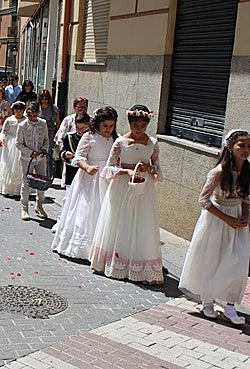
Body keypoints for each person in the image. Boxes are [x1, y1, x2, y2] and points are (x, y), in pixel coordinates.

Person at [179, 130, 250, 325]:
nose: (245, 150)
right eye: (241, 145)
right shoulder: (219, 172)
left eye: (248, 147)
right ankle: (207, 300)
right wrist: (226, 218)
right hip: (217, 219)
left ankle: (230, 305)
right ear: (230, 146)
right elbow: (203, 199)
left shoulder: (247, 172)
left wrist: (245, 215)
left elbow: (246, 198)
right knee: (212, 258)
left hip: (237, 221)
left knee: (237, 261)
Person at [90, 105, 164, 285]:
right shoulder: (120, 142)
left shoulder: (152, 144)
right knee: (120, 221)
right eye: (135, 125)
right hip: (122, 187)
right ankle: (115, 261)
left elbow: (158, 171)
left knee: (142, 223)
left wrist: (149, 168)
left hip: (143, 189)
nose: (139, 130)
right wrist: (125, 171)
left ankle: (141, 265)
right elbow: (108, 169)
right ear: (130, 124)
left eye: (143, 125)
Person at [51, 108, 115, 260]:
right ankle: (82, 246)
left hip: (106, 178)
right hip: (89, 179)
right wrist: (87, 167)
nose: (108, 129)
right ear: (98, 124)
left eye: (111, 126)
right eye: (105, 125)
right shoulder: (89, 137)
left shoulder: (114, 138)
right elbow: (78, 157)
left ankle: (102, 246)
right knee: (87, 211)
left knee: (104, 210)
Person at [16, 100, 50, 220]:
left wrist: (44, 149)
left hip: (41, 158)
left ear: (38, 113)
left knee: (42, 182)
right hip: (27, 158)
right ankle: (24, 207)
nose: (32, 118)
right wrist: (30, 153)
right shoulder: (22, 125)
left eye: (35, 115)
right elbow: (18, 144)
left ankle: (39, 204)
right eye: (30, 115)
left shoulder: (43, 123)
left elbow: (46, 139)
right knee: (26, 182)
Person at [0, 101, 26, 196]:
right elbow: (3, 132)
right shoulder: (9, 120)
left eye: (20, 109)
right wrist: (1, 140)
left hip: (21, 144)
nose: (18, 111)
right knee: (8, 164)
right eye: (16, 109)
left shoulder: (26, 120)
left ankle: (18, 189)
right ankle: (7, 188)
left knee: (19, 166)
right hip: (10, 144)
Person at [38, 89, 60, 157]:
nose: (44, 100)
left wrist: (58, 135)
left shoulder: (53, 108)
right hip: (39, 130)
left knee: (48, 150)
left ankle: (48, 167)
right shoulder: (37, 107)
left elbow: (58, 122)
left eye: (46, 98)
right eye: (42, 98)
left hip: (50, 131)